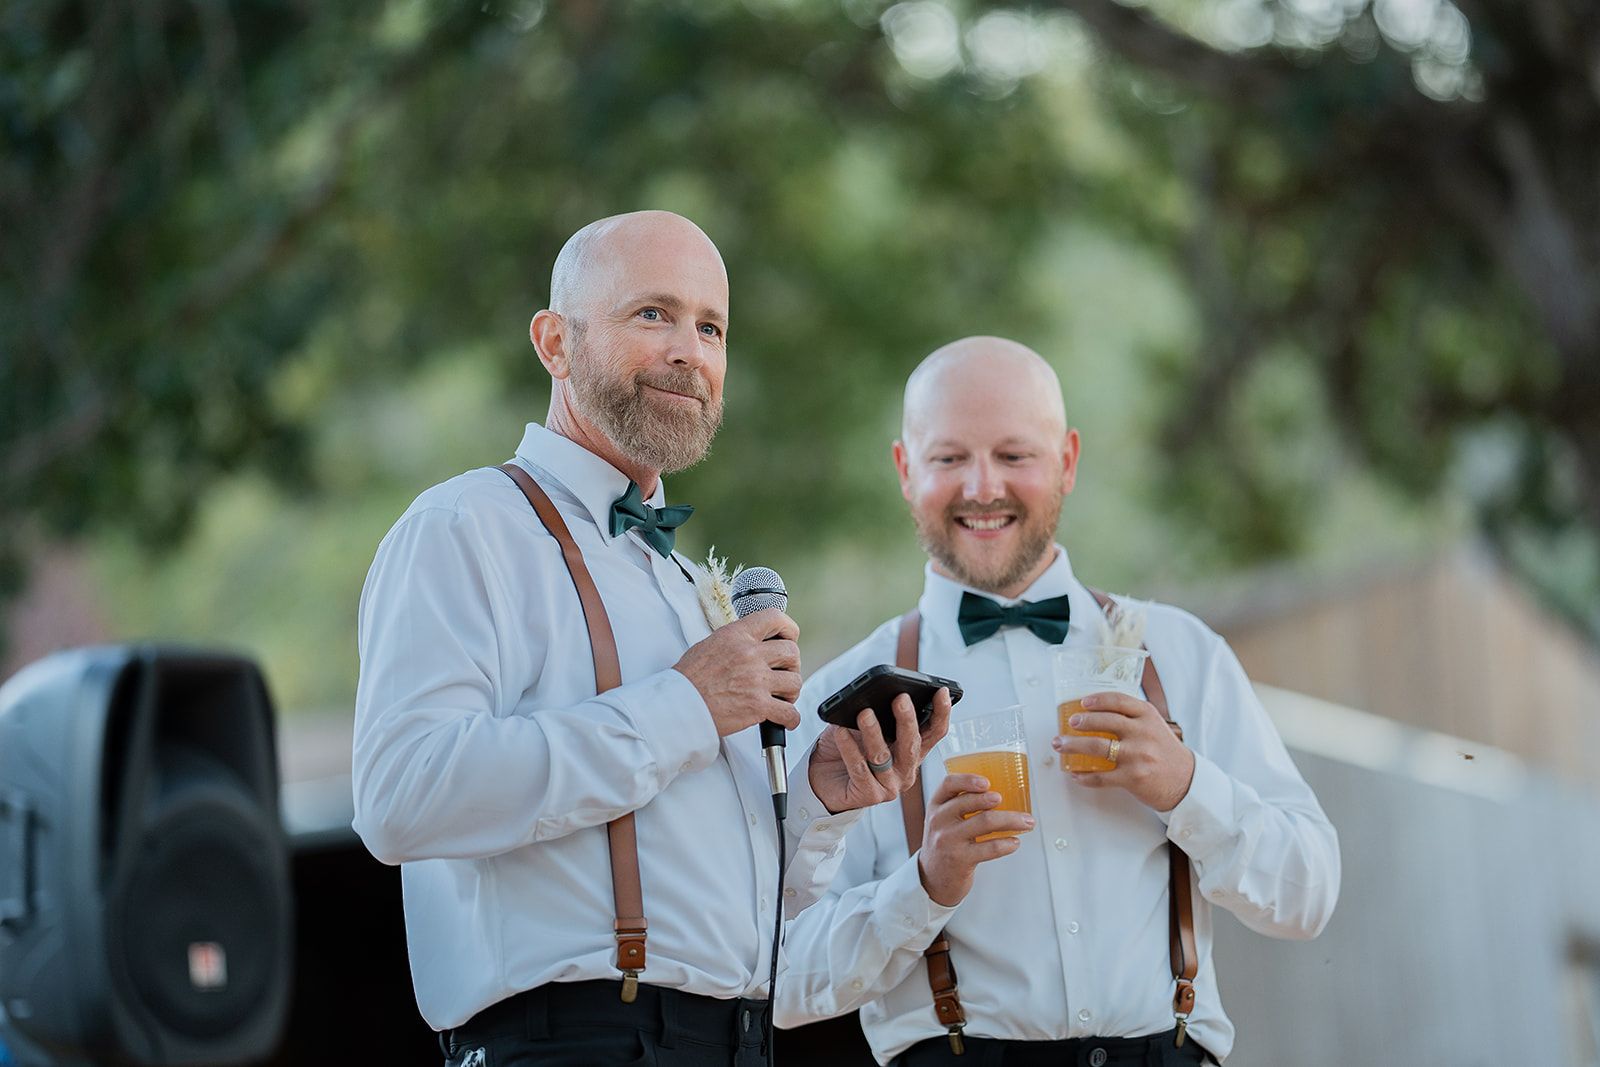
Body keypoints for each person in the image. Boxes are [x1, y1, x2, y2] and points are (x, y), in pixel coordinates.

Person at [351, 211, 950, 1067]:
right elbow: (399, 795)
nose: (690, 351)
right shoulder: (464, 525)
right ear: (555, 341)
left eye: (711, 327)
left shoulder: (686, 587)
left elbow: (733, 908)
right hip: (572, 1045)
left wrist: (820, 797)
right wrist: (686, 704)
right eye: (653, 315)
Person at [775, 336, 1340, 1065]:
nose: (983, 487)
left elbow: (1309, 895)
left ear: (1068, 461)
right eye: (949, 458)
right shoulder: (843, 706)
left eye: (1015, 455)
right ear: (904, 469)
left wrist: (1186, 787)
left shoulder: (1180, 654)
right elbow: (781, 975)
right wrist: (923, 885)